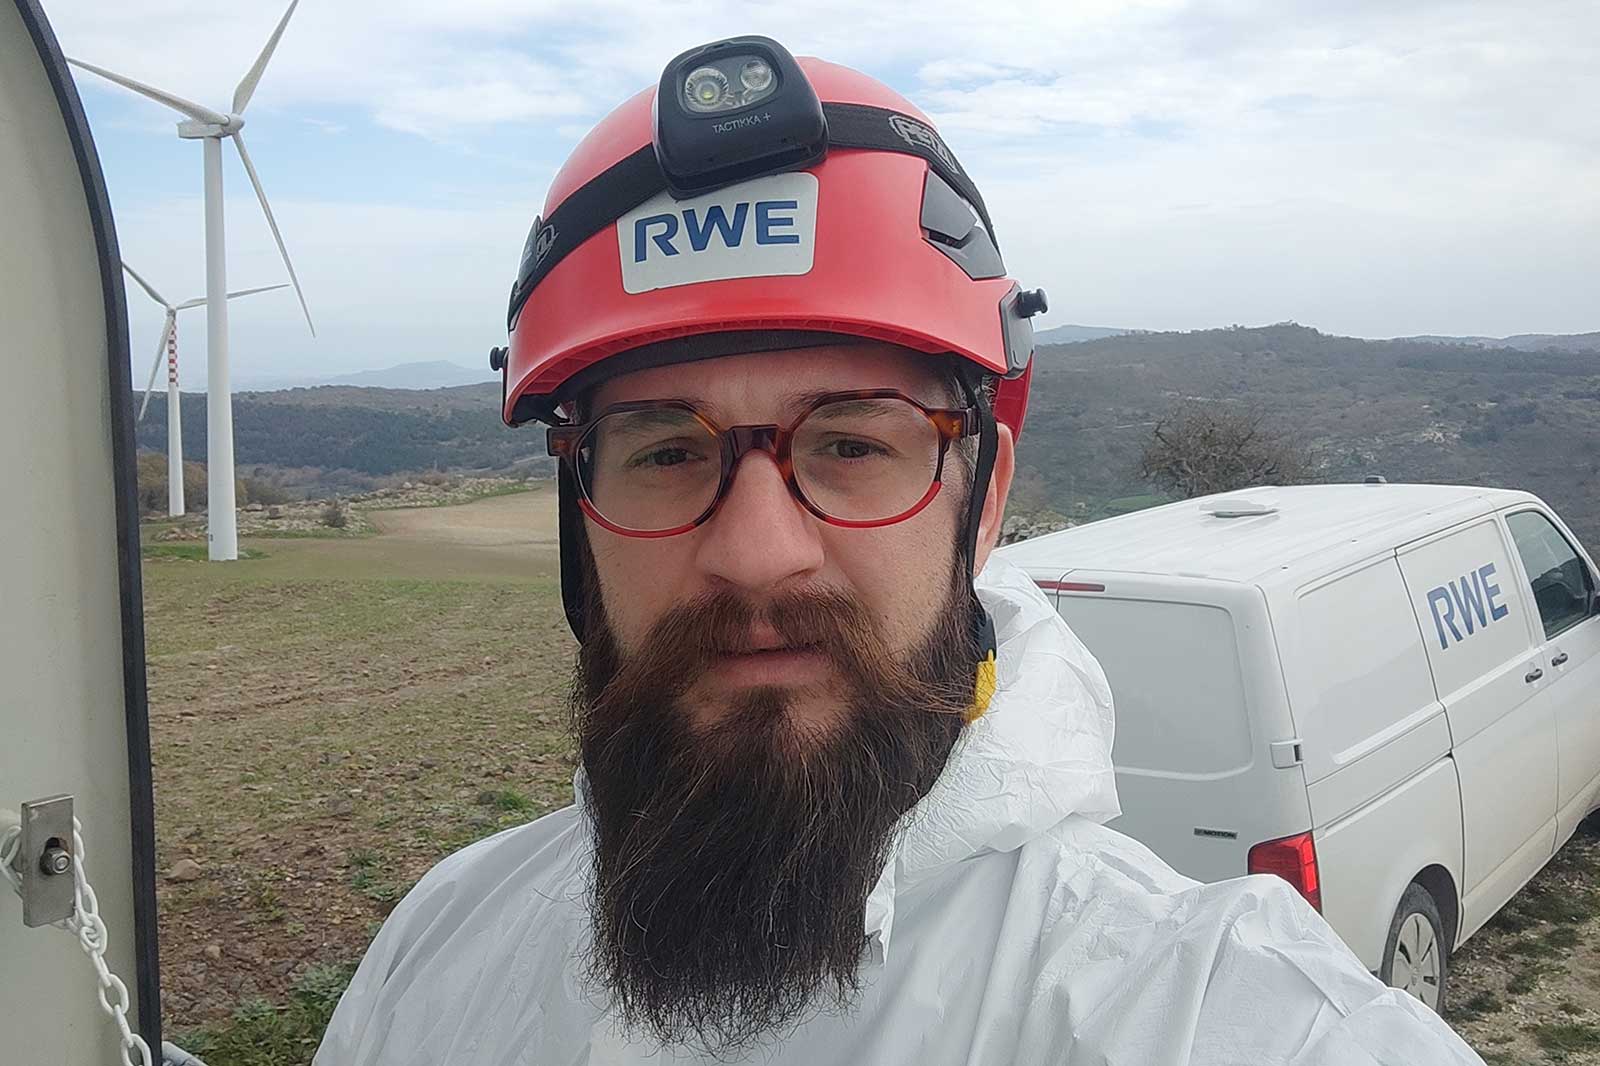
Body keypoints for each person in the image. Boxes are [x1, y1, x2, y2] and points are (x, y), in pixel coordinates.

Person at [315, 37, 1483, 1065]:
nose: (758, 555)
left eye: (852, 444)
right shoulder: (437, 943)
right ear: (581, 516)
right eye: (665, 452)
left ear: (982, 505)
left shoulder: (1212, 1010)